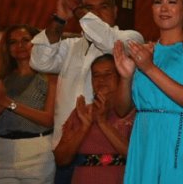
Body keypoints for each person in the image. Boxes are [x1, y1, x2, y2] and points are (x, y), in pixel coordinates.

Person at [30, 0, 143, 151]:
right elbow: (39, 62)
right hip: (66, 144)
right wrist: (60, 18)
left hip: (107, 147)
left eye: (103, 7)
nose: (95, 14)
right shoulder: (70, 45)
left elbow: (108, 41)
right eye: (89, 9)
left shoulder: (130, 38)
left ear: (115, 11)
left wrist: (77, 6)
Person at [113, 0, 183, 183]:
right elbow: (121, 110)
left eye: (172, 2)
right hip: (143, 139)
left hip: (177, 137)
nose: (164, 8)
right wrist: (126, 77)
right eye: (157, 2)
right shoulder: (144, 51)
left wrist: (149, 68)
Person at [54, 54, 134, 184]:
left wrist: (102, 122)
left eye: (108, 74)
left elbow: (136, 156)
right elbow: (61, 159)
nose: (101, 80)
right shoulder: (81, 112)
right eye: (96, 75)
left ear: (121, 77)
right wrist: (84, 126)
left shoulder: (133, 113)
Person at [0, 24, 57, 183]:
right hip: (1, 151)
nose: (19, 46)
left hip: (36, 152)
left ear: (36, 42)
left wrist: (8, 102)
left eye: (25, 40)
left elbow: (49, 119)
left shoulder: (49, 76)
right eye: (13, 42)